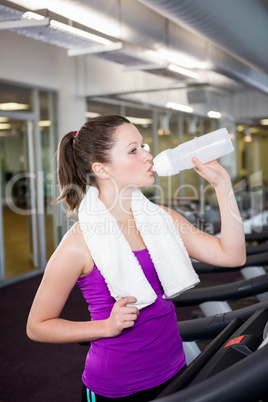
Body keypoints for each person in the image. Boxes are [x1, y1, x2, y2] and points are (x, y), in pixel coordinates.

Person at [26, 115, 246, 401]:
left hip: (176, 370)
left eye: (143, 145)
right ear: (102, 169)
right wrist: (106, 326)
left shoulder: (163, 218)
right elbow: (38, 326)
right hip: (116, 386)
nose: (148, 155)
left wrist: (222, 186)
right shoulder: (78, 244)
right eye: (134, 150)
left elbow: (232, 255)